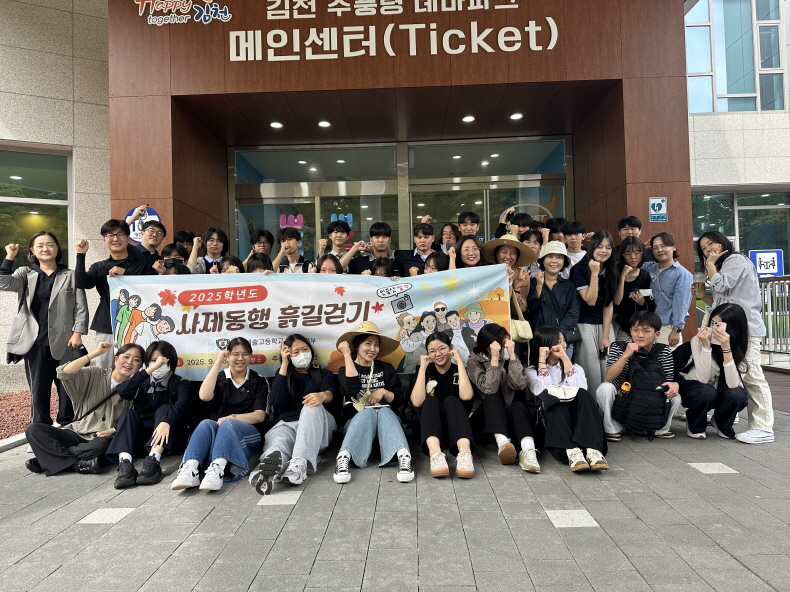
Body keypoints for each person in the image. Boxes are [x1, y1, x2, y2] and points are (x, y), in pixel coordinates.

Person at [1, 235, 88, 426]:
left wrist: (78, 333)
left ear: (57, 248)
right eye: (39, 245)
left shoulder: (70, 275)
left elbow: (81, 307)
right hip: (34, 341)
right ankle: (40, 429)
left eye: (50, 244)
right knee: (38, 388)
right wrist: (10, 257)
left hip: (66, 340)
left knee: (67, 386)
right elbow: (3, 283)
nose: (45, 248)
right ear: (32, 250)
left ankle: (67, 426)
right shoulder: (25, 273)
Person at [697, 231, 774, 443]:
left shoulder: (735, 260)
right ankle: (723, 417)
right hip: (727, 329)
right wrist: (703, 296)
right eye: (703, 248)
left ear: (723, 242)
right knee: (726, 372)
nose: (708, 249)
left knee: (751, 375)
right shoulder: (722, 266)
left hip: (745, 329)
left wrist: (710, 265)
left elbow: (722, 286)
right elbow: (721, 301)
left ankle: (763, 427)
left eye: (710, 243)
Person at [24, 343, 143, 476]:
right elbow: (64, 372)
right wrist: (95, 353)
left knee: (100, 447)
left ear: (140, 366)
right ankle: (77, 465)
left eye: (136, 360)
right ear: (116, 359)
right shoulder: (95, 373)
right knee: (34, 430)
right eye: (126, 357)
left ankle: (47, 459)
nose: (129, 362)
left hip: (101, 437)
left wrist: (111, 431)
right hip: (77, 431)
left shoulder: (136, 390)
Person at [171, 337, 269, 491]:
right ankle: (190, 469)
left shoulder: (259, 381)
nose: (240, 358)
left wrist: (232, 418)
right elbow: (204, 396)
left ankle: (217, 470)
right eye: (235, 354)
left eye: (245, 354)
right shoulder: (220, 378)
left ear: (250, 356)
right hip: (220, 428)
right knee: (205, 423)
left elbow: (259, 416)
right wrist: (218, 362)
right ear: (228, 356)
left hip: (249, 432)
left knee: (228, 423)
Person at [254, 335, 338, 495]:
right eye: (296, 352)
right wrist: (284, 366)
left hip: (317, 426)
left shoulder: (323, 373)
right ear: (287, 355)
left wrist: (323, 396)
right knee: (279, 443)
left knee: (311, 404)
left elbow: (331, 395)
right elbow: (276, 401)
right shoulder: (283, 375)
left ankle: (299, 463)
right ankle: (269, 468)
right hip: (286, 424)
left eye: (305, 349)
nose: (302, 354)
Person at [333, 322, 413, 484]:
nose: (373, 349)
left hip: (388, 424)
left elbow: (399, 400)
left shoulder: (387, 368)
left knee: (384, 410)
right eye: (368, 344)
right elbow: (351, 390)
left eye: (376, 345)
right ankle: (344, 457)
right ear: (357, 346)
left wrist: (384, 392)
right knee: (368, 411)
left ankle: (403, 455)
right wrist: (347, 355)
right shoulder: (344, 370)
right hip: (356, 424)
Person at [106, 341, 190, 488]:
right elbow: (122, 391)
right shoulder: (142, 381)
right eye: (153, 360)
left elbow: (182, 406)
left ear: (171, 361)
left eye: (162, 360)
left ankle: (153, 460)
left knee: (165, 409)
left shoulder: (181, 382)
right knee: (128, 414)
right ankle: (125, 464)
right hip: (143, 439)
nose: (158, 364)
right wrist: (149, 370)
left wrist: (166, 422)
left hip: (169, 438)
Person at [75, 219, 157, 368]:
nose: (115, 238)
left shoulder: (143, 265)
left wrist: (126, 273)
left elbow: (152, 288)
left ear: (127, 237)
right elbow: (82, 283)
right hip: (106, 324)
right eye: (110, 235)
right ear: (104, 239)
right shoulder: (99, 267)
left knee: (133, 368)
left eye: (120, 234)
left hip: (135, 325)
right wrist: (81, 255)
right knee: (104, 369)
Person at [526, 326, 608, 471]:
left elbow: (581, 389)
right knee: (553, 399)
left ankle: (592, 451)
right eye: (558, 342)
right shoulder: (531, 371)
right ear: (545, 345)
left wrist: (565, 358)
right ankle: (572, 452)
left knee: (584, 395)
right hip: (552, 419)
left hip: (576, 416)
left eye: (564, 341)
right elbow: (541, 392)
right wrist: (542, 361)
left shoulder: (575, 367)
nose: (564, 345)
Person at [595, 311, 681, 441]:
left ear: (657, 334)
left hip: (649, 395)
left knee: (675, 396)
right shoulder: (619, 347)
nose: (640, 335)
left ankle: (659, 428)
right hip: (624, 395)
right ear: (630, 331)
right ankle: (613, 429)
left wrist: (674, 385)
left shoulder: (663, 351)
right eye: (635, 330)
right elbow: (610, 377)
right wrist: (626, 355)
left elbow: (667, 381)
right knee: (605, 388)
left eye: (646, 331)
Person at [466, 324, 540, 473]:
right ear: (490, 348)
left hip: (508, 412)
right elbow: (490, 389)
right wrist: (494, 360)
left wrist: (512, 357)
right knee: (493, 399)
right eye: (505, 342)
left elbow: (519, 384)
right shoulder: (474, 362)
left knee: (518, 406)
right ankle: (503, 444)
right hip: (485, 417)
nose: (508, 345)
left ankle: (528, 452)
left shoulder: (508, 357)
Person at [676, 303, 749, 440]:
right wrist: (706, 347)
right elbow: (703, 378)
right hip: (694, 384)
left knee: (738, 395)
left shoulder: (743, 346)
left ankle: (722, 423)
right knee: (705, 391)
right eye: (713, 323)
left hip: (721, 386)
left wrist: (726, 349)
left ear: (732, 327)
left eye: (719, 325)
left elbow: (733, 384)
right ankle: (695, 424)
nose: (714, 329)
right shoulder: (698, 340)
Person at [408, 333, 475, 478]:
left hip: (456, 430)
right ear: (427, 353)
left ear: (451, 348)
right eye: (432, 351)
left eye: (442, 348)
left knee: (452, 400)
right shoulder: (424, 370)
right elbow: (416, 402)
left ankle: (465, 453)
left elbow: (467, 396)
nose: (438, 354)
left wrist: (459, 362)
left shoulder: (459, 370)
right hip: (429, 430)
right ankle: (436, 454)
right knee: (430, 401)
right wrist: (422, 369)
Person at [569, 230, 619, 394]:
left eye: (608, 247)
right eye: (599, 247)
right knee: (590, 372)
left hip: (605, 326)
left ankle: (608, 405)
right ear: (591, 248)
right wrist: (595, 274)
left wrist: (605, 336)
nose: (604, 251)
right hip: (584, 326)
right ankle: (591, 407)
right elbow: (590, 300)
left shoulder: (612, 270)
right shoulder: (578, 270)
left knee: (609, 369)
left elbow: (608, 304)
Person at [527, 241, 580, 356]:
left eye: (559, 257)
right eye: (550, 256)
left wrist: (558, 334)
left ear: (564, 262)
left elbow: (573, 313)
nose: (554, 261)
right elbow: (531, 308)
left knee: (563, 367)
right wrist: (539, 286)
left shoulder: (568, 286)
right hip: (539, 339)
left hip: (562, 340)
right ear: (543, 260)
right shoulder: (531, 283)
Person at [642, 232, 693, 348]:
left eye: (663, 246)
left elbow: (681, 304)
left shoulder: (683, 274)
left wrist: (676, 329)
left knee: (668, 359)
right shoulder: (650, 268)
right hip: (647, 325)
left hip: (667, 327)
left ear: (674, 247)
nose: (659, 250)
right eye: (655, 247)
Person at [612, 237, 655, 341]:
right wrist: (623, 276)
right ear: (622, 255)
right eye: (628, 254)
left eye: (637, 253)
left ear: (642, 254)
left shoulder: (644, 276)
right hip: (613, 321)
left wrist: (641, 302)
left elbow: (649, 305)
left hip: (633, 324)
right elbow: (616, 301)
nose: (633, 257)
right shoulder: (614, 272)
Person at [481, 233, 535, 315]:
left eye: (513, 253)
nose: (508, 256)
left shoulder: (523, 276)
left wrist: (516, 289)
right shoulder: (487, 273)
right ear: (497, 253)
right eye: (504, 252)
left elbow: (521, 309)